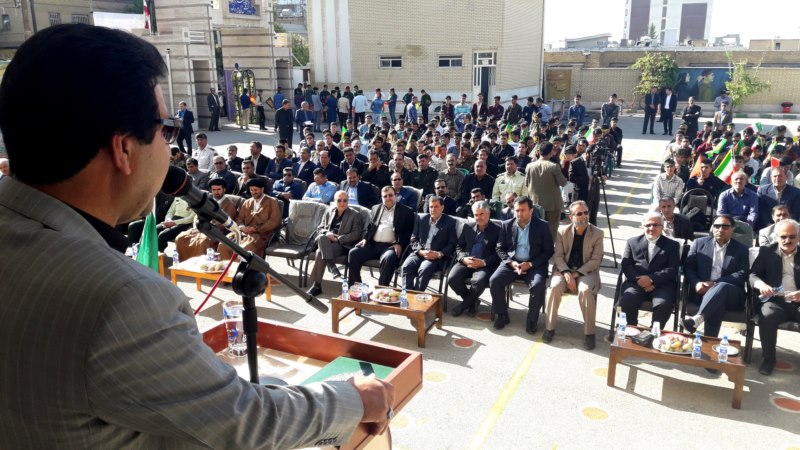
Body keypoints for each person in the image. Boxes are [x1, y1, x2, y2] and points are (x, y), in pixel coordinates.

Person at [0, 23, 393, 449]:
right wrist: (352, 400)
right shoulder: (120, 298)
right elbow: (243, 424)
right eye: (165, 131)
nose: (171, 150)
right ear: (123, 149)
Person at [543, 201, 604, 350]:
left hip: (586, 271)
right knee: (554, 287)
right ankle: (549, 328)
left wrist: (575, 274)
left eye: (586, 212)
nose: (584, 216)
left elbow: (596, 260)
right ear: (571, 217)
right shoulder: (562, 231)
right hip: (564, 270)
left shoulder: (597, 233)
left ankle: (589, 333)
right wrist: (566, 273)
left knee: (585, 290)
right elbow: (558, 256)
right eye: (579, 213)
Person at [488, 196, 554, 333]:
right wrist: (511, 263)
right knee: (494, 280)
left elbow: (548, 251)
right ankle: (502, 315)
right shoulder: (507, 224)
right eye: (517, 210)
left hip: (534, 264)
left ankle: (531, 321)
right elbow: (499, 248)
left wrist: (530, 264)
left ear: (531, 211)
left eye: (523, 210)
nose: (519, 213)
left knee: (538, 286)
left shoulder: (542, 226)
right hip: (512, 263)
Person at [682, 215, 749, 339]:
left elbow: (742, 273)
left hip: (732, 294)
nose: (720, 230)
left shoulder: (742, 249)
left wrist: (714, 284)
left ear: (733, 229)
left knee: (721, 287)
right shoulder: (699, 243)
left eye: (725, 226)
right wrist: (696, 283)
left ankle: (698, 318)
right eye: (717, 226)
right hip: (702, 291)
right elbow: (689, 267)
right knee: (717, 304)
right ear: (712, 228)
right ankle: (710, 341)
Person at [749, 218, 800, 375]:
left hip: (798, 301)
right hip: (776, 300)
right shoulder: (767, 252)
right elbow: (753, 275)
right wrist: (761, 285)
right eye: (783, 236)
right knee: (767, 316)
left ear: (798, 237)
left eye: (792, 237)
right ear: (777, 237)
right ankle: (768, 360)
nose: (787, 240)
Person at [620, 212, 680, 329]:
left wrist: (651, 279)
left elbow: (672, 268)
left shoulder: (672, 245)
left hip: (662, 284)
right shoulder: (632, 242)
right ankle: (632, 329)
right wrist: (641, 281)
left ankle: (654, 332)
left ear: (662, 227)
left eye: (655, 225)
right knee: (628, 299)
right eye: (648, 225)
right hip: (636, 282)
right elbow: (626, 265)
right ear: (643, 227)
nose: (651, 228)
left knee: (663, 304)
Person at [347, 186, 415, 286]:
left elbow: (409, 232)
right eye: (385, 196)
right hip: (373, 244)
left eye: (390, 195)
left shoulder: (406, 211)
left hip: (391, 247)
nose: (388, 198)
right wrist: (365, 238)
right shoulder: (375, 208)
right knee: (353, 253)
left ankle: (382, 288)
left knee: (388, 258)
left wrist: (400, 244)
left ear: (396, 196)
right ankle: (355, 286)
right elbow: (370, 227)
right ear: (382, 198)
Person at [448, 200, 502, 316]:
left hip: (484, 264)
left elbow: (499, 254)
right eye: (476, 214)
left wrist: (484, 262)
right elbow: (459, 246)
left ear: (488, 214)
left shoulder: (498, 230)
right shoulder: (468, 227)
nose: (478, 217)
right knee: (452, 279)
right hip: (467, 261)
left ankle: (463, 305)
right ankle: (472, 302)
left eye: (481, 214)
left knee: (479, 281)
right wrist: (463, 259)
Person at [306, 191, 365, 295]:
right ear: (334, 201)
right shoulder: (329, 211)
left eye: (345, 200)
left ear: (348, 201)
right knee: (322, 237)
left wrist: (339, 239)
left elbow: (356, 234)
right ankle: (332, 267)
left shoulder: (355, 215)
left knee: (320, 252)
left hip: (342, 245)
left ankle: (317, 286)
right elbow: (320, 228)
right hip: (326, 242)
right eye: (339, 200)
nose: (342, 203)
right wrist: (327, 233)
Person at [174, 178, 241, 259]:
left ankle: (201, 264)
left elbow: (224, 224)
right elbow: (197, 215)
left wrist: (205, 229)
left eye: (218, 189)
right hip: (201, 228)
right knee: (180, 238)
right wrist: (197, 227)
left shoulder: (229, 204)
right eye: (214, 190)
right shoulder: (208, 201)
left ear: (224, 189)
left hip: (215, 232)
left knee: (203, 242)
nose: (216, 192)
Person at [401, 196, 456, 291]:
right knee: (406, 266)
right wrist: (420, 251)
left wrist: (439, 254)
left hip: (436, 257)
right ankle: (407, 295)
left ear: (442, 207)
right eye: (431, 207)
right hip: (420, 253)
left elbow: (452, 244)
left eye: (436, 206)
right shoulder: (422, 219)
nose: (433, 209)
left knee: (424, 269)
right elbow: (413, 239)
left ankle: (417, 295)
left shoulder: (450, 222)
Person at [218, 177, 282, 260]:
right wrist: (242, 227)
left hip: (261, 234)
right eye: (251, 190)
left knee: (243, 249)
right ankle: (225, 267)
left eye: (256, 190)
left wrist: (256, 229)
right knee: (223, 244)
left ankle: (241, 268)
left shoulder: (272, 201)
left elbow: (274, 221)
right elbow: (239, 219)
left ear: (262, 189)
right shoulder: (247, 202)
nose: (253, 192)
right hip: (244, 232)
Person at [524, 142, 567, 239]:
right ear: (551, 152)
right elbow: (563, 183)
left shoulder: (529, 166)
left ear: (539, 152)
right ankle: (550, 247)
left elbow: (527, 183)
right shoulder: (554, 166)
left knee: (537, 229)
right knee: (552, 230)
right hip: (553, 204)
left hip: (535, 203)